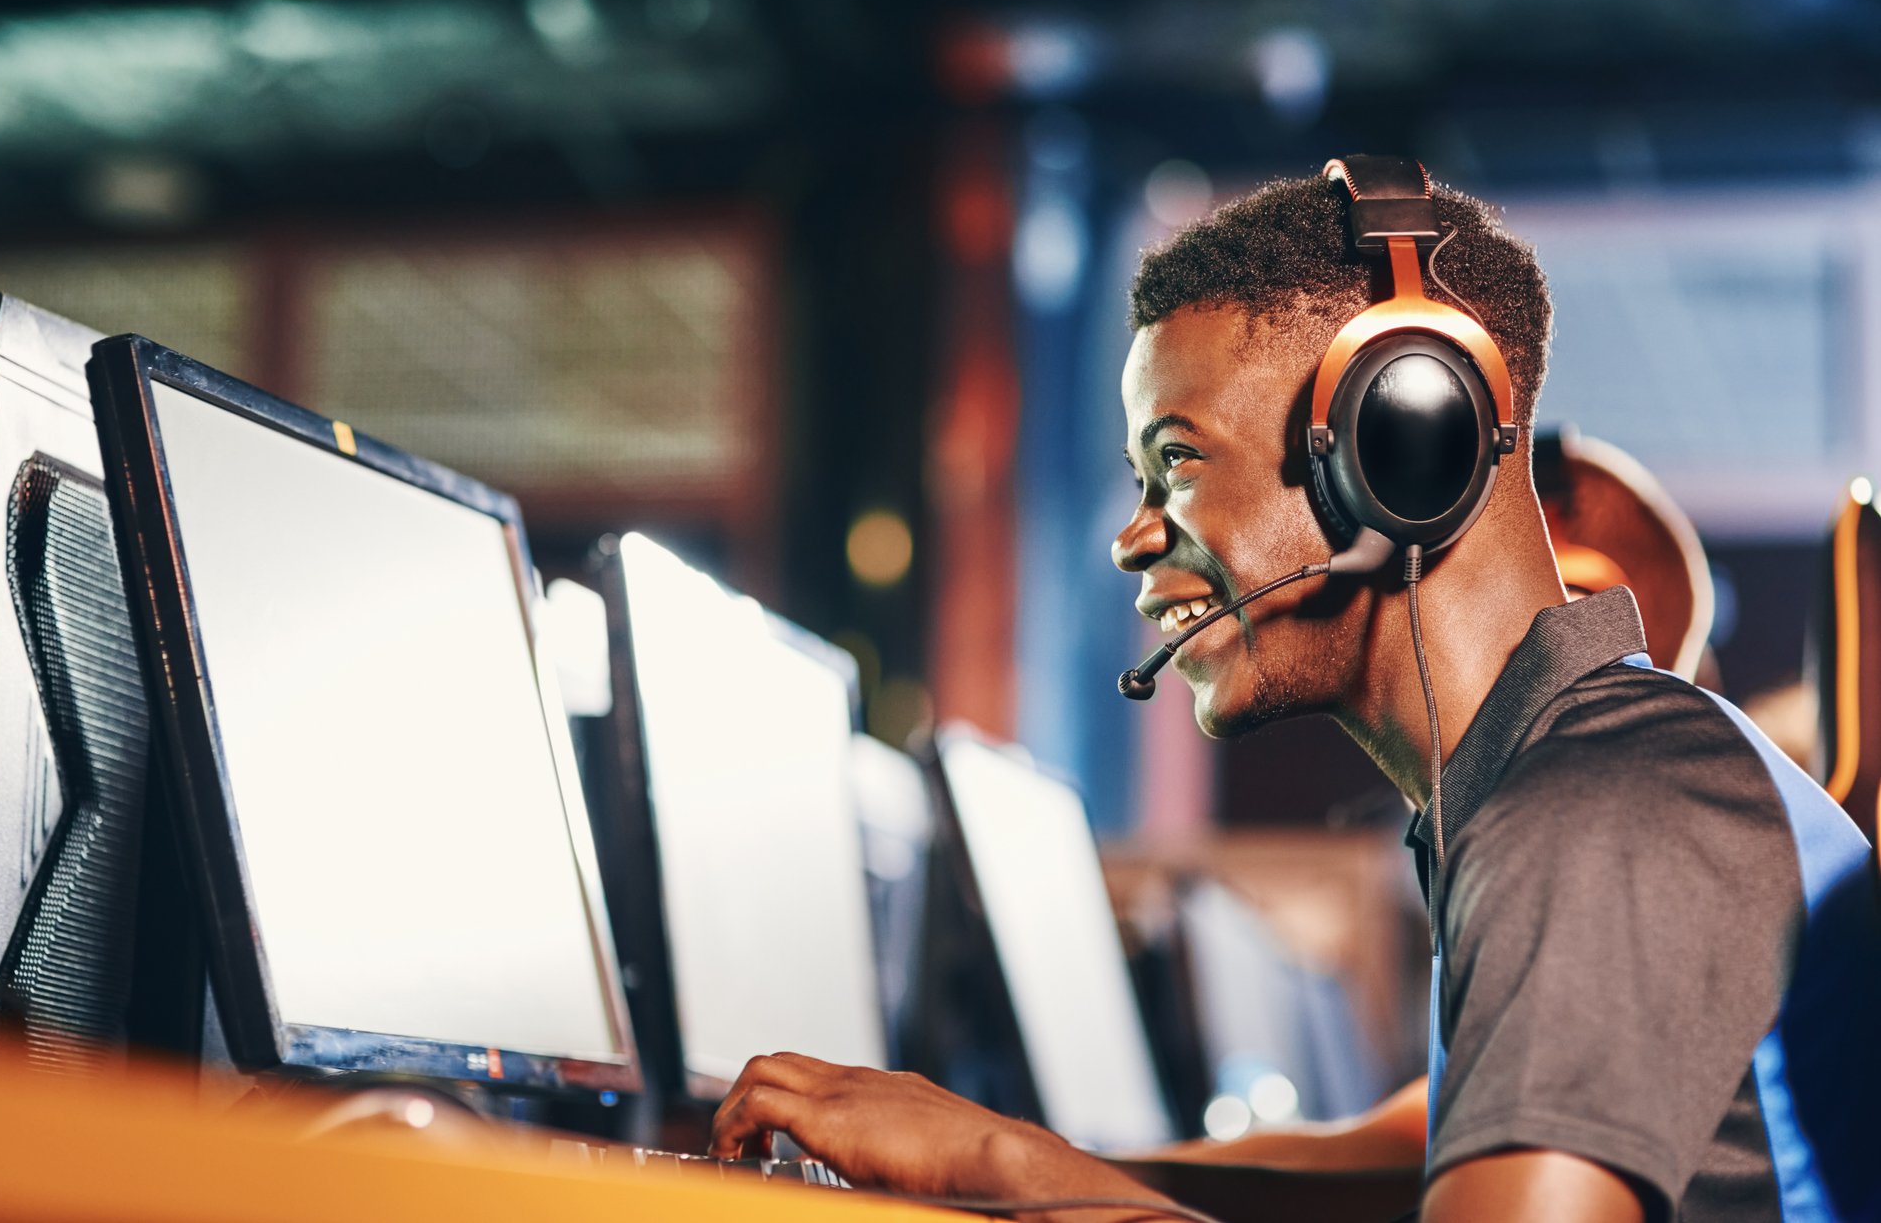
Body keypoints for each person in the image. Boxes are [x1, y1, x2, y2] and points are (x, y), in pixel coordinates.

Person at [709, 163, 1880, 1222]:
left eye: (1175, 459)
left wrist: (1020, 1176)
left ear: (1394, 449)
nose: (1131, 538)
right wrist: (1006, 1159)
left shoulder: (1597, 814)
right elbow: (1418, 1173)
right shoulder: (1600, 768)